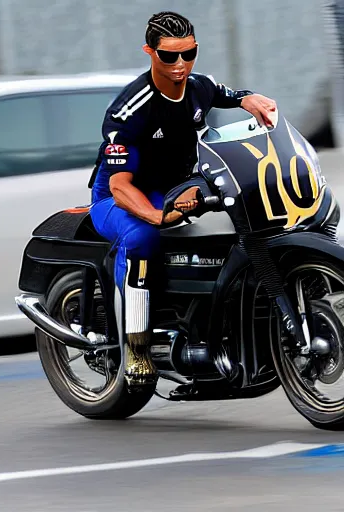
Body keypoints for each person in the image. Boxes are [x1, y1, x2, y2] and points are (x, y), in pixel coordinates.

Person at [88, 11, 277, 386]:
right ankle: (136, 349)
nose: (180, 65)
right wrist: (156, 216)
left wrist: (251, 100)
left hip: (175, 188)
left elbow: (229, 95)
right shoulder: (131, 109)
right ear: (149, 52)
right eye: (169, 56)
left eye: (188, 54)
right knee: (143, 238)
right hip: (120, 197)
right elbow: (119, 186)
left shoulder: (199, 86)